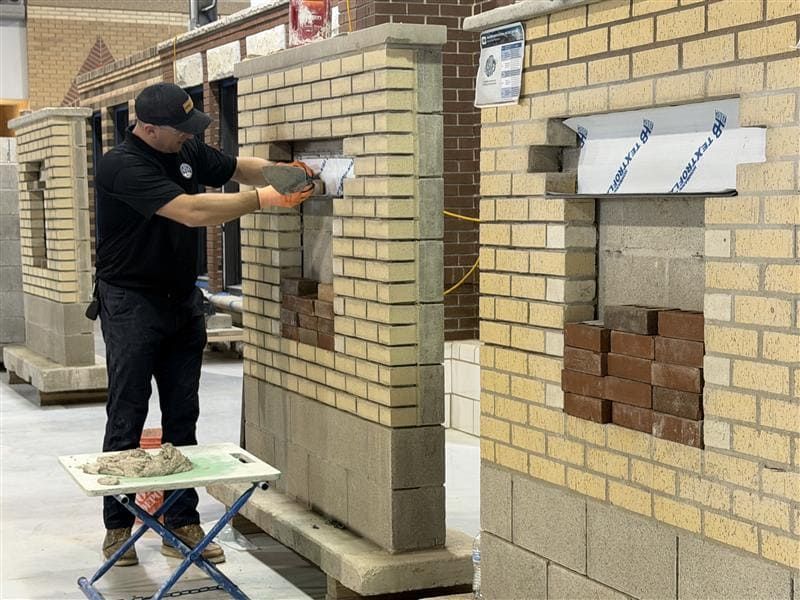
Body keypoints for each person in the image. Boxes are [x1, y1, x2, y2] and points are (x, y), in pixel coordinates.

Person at [92, 82, 313, 566]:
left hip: (180, 302)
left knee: (182, 416)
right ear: (148, 128)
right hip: (130, 302)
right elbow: (190, 211)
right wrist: (265, 199)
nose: (188, 138)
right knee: (127, 414)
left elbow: (236, 167)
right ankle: (117, 527)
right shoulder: (120, 165)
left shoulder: (185, 146)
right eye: (179, 131)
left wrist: (284, 172)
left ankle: (181, 522)